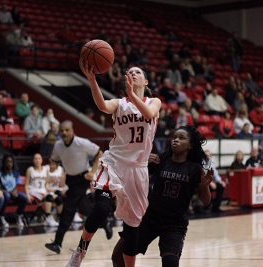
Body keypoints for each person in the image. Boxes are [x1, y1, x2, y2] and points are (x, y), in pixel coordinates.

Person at [64, 61, 161, 267]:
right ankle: (80, 252)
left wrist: (134, 96)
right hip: (114, 163)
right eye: (130, 72)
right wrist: (92, 79)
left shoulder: (154, 101)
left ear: (145, 80)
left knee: (132, 227)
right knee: (101, 208)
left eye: (137, 72)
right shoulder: (120, 103)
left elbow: (149, 114)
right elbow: (102, 105)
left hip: (137, 170)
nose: (133, 73)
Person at [112, 126, 213, 267]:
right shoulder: (161, 159)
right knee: (118, 256)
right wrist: (143, 163)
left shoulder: (195, 169)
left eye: (181, 138)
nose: (176, 140)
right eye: (174, 137)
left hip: (174, 224)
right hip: (149, 218)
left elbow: (206, 202)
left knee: (170, 263)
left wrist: (204, 186)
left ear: (190, 145)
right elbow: (135, 176)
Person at [44, 120, 106, 254]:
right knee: (84, 208)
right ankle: (104, 221)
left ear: (72, 131)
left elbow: (100, 153)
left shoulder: (82, 143)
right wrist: (57, 170)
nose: (64, 133)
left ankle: (57, 243)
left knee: (68, 209)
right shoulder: (58, 145)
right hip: (71, 179)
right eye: (62, 131)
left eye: (67, 130)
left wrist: (92, 172)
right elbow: (54, 160)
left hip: (83, 177)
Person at [25, 153, 59, 227]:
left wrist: (51, 190)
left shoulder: (45, 169)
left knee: (58, 198)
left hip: (43, 191)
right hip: (34, 192)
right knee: (49, 197)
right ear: (33, 160)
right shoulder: (30, 170)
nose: (37, 160)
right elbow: (26, 184)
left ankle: (60, 218)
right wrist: (27, 195)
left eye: (39, 158)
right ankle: (48, 218)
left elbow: (46, 185)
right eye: (35, 158)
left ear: (42, 160)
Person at [0, 154, 27, 227]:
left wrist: (14, 191)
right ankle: (1, 216)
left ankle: (19, 215)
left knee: (24, 197)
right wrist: (10, 192)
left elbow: (17, 184)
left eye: (11, 162)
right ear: (4, 163)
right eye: (7, 162)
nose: (9, 164)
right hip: (4, 192)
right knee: (7, 196)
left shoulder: (15, 173)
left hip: (13, 192)